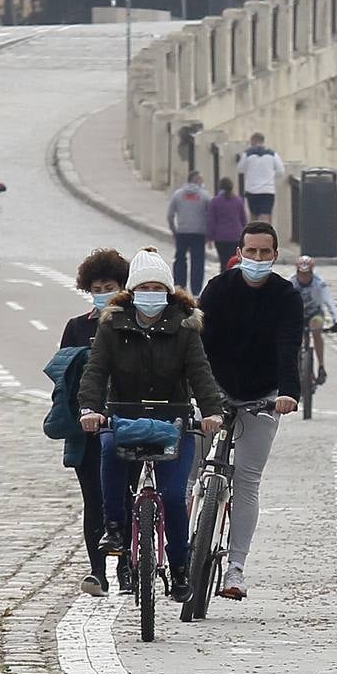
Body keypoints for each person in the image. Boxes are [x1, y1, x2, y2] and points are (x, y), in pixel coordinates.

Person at [77, 247, 226, 604]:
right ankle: (115, 528)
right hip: (124, 415)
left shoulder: (185, 328)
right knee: (109, 450)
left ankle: (178, 569)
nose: (151, 295)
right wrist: (89, 409)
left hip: (172, 419)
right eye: (144, 288)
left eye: (159, 289)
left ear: (170, 293)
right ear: (131, 292)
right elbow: (96, 372)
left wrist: (211, 412)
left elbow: (200, 372)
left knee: (174, 497)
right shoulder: (112, 326)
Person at [197, 222, 303, 600]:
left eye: (264, 252)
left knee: (247, 479)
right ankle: (183, 550)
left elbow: (289, 346)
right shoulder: (218, 289)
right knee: (191, 464)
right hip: (215, 388)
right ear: (239, 253)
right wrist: (198, 390)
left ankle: (235, 568)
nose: (257, 258)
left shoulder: (286, 296)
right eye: (251, 251)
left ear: (275, 255)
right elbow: (196, 342)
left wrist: (289, 393)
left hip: (263, 393)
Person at [45, 248, 131, 597]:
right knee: (93, 499)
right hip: (87, 428)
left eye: (108, 285)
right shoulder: (77, 327)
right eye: (96, 286)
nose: (102, 291)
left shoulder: (132, 322)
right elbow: (62, 374)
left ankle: (128, 567)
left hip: (126, 423)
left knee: (125, 496)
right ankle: (98, 571)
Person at [291, 256, 337, 385]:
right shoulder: (291, 283)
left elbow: (329, 301)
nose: (304, 277)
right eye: (301, 274)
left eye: (307, 274)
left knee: (316, 329)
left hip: (315, 313)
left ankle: (321, 366)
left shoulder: (319, 283)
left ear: (312, 273)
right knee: (294, 337)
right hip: (297, 314)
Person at [167, 171, 210, 294]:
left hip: (182, 232)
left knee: (180, 259)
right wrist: (209, 232)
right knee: (198, 261)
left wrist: (174, 230)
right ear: (197, 180)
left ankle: (180, 287)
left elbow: (170, 215)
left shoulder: (178, 194)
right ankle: (196, 290)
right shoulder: (205, 196)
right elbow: (211, 215)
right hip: (199, 233)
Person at [236, 132, 284, 223]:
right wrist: (270, 175)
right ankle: (266, 234)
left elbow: (240, 169)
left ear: (254, 140)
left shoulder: (247, 154)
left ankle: (254, 235)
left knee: (253, 215)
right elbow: (281, 171)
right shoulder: (273, 154)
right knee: (266, 215)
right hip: (268, 190)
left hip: (252, 190)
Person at [207, 176, 248, 269]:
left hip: (220, 237)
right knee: (234, 262)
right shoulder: (238, 201)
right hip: (236, 236)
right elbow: (243, 219)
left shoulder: (215, 201)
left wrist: (210, 237)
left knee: (223, 262)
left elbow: (211, 221)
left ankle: (224, 280)